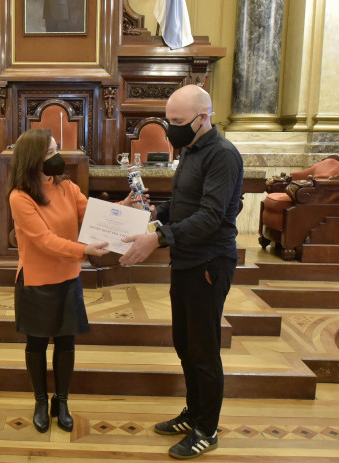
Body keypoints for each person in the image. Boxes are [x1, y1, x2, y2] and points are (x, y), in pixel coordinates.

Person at [119, 85, 243, 460]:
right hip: (186, 261)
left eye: (177, 122)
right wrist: (158, 214)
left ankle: (207, 429)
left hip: (208, 263)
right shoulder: (191, 149)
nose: (171, 130)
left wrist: (158, 238)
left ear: (203, 118)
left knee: (204, 350)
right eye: (168, 121)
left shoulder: (222, 156)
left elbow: (211, 216)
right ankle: (194, 412)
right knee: (185, 343)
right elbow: (187, 202)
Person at [8, 128, 141, 434]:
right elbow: (43, 241)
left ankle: (62, 401)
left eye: (57, 150)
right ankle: (41, 401)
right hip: (37, 279)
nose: (58, 158)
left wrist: (125, 207)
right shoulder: (20, 196)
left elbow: (94, 215)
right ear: (33, 160)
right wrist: (84, 250)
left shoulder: (67, 187)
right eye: (51, 153)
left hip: (68, 276)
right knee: (37, 343)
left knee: (66, 343)